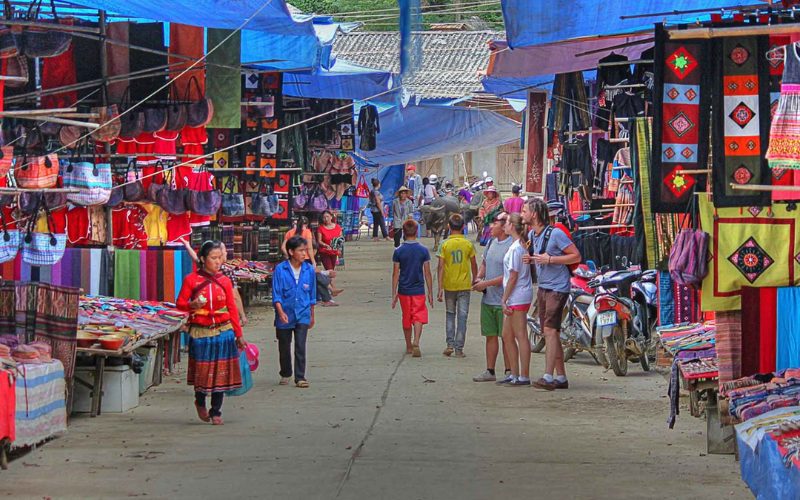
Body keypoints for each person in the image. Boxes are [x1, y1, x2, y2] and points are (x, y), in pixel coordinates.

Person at [176, 240, 247, 425]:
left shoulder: (224, 280)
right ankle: (200, 401)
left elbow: (231, 308)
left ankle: (216, 411)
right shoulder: (191, 280)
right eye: (213, 258)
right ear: (202, 259)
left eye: (219, 258)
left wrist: (238, 335)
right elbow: (180, 304)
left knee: (221, 374)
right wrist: (192, 305)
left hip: (223, 333)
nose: (218, 262)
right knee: (203, 372)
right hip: (201, 333)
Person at [522, 197, 581, 391]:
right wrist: (532, 260)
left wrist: (551, 259)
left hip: (557, 287)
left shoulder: (555, 234)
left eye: (525, 210)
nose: (522, 213)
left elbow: (576, 256)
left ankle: (548, 376)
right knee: (551, 332)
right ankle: (561, 377)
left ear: (535, 214)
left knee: (549, 330)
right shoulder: (533, 234)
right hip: (544, 286)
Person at [471, 211, 513, 382]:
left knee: (507, 338)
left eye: (494, 224)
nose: (490, 227)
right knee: (490, 335)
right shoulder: (490, 243)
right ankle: (490, 370)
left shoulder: (513, 246)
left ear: (503, 226)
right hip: (488, 298)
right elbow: (484, 263)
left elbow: (509, 276)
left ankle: (510, 370)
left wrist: (485, 284)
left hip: (505, 299)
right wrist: (479, 277)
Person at [272, 236, 317, 388]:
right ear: (291, 252)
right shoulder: (280, 269)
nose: (304, 254)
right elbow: (276, 294)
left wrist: (312, 315)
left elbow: (312, 294)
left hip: (303, 313)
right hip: (284, 314)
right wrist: (280, 312)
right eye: (301, 251)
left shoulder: (309, 269)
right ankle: (285, 372)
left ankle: (300, 377)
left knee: (300, 345)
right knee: (284, 346)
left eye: (305, 250)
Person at [497, 213, 534, 386]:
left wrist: (504, 299)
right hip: (516, 294)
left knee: (520, 334)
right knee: (507, 335)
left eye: (507, 223)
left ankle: (523, 375)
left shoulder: (516, 248)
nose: (504, 225)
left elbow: (513, 276)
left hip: (517, 295)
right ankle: (514, 372)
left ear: (512, 226)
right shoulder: (518, 246)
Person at [437, 213, 477, 358]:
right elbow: (474, 264)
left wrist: (440, 288)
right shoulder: (468, 244)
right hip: (465, 285)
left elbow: (440, 267)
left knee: (450, 314)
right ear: (463, 227)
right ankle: (459, 348)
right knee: (462, 316)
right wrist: (475, 280)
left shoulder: (444, 244)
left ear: (449, 226)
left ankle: (449, 344)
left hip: (449, 285)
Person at [181, 238, 247, 326]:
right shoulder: (226, 271)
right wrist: (242, 315)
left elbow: (197, 259)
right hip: (206, 326)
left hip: (223, 324)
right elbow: (235, 296)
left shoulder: (219, 272)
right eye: (224, 251)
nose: (226, 253)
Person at [391, 219, 433, 357]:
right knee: (418, 315)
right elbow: (427, 273)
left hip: (404, 290)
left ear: (403, 232)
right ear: (416, 232)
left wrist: (394, 293)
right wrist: (430, 292)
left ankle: (409, 345)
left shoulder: (398, 251)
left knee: (406, 317)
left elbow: (395, 273)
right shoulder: (423, 250)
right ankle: (416, 340)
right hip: (418, 290)